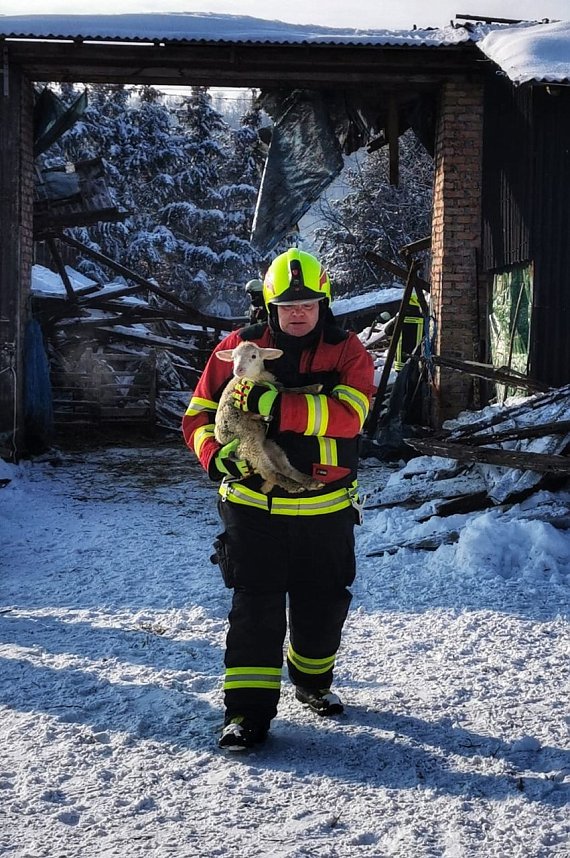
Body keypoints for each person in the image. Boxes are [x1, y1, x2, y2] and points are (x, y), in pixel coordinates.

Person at [182, 248, 375, 751]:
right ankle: (246, 715)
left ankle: (311, 682)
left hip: (326, 508)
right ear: (270, 306)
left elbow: (350, 418)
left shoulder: (349, 351)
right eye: (287, 305)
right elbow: (197, 416)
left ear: (323, 304)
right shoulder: (236, 346)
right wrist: (214, 458)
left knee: (323, 606)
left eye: (308, 303)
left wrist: (275, 403)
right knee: (255, 608)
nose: (298, 312)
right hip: (252, 507)